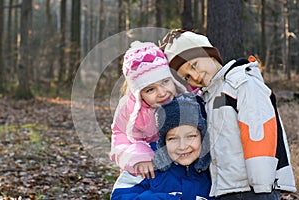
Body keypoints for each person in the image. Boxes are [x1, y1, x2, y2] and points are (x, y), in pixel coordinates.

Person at [159, 30, 297, 199]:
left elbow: (258, 131)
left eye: (194, 65)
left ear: (209, 54)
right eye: (187, 76)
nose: (195, 76)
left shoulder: (241, 84)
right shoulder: (209, 96)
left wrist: (261, 185)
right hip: (227, 188)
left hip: (253, 189)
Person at [111, 93, 214, 200]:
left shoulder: (214, 169)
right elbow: (120, 195)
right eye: (173, 138)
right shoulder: (146, 162)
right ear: (163, 141)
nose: (182, 146)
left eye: (191, 136)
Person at [110, 41, 187, 179]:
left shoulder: (187, 100)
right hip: (146, 168)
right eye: (150, 89)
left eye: (165, 82)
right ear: (139, 93)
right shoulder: (129, 108)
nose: (162, 93)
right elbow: (119, 137)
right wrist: (138, 156)